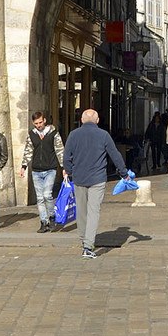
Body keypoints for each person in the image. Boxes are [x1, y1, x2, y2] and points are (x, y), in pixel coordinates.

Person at [61, 105, 128, 259]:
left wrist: (69, 171)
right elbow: (115, 155)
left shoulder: (73, 134)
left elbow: (66, 156)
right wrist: (124, 173)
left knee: (82, 210)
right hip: (97, 178)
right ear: (97, 120)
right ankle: (88, 245)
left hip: (79, 178)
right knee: (93, 211)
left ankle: (84, 239)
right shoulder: (103, 135)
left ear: (82, 120)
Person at [20, 111, 64, 232]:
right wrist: (24, 166)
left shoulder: (53, 133)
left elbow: (60, 150)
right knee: (40, 198)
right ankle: (44, 222)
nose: (38, 125)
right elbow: (28, 150)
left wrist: (64, 167)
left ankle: (52, 216)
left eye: (40, 122)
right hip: (36, 170)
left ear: (44, 120)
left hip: (50, 168)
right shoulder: (32, 134)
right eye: (36, 123)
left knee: (47, 195)